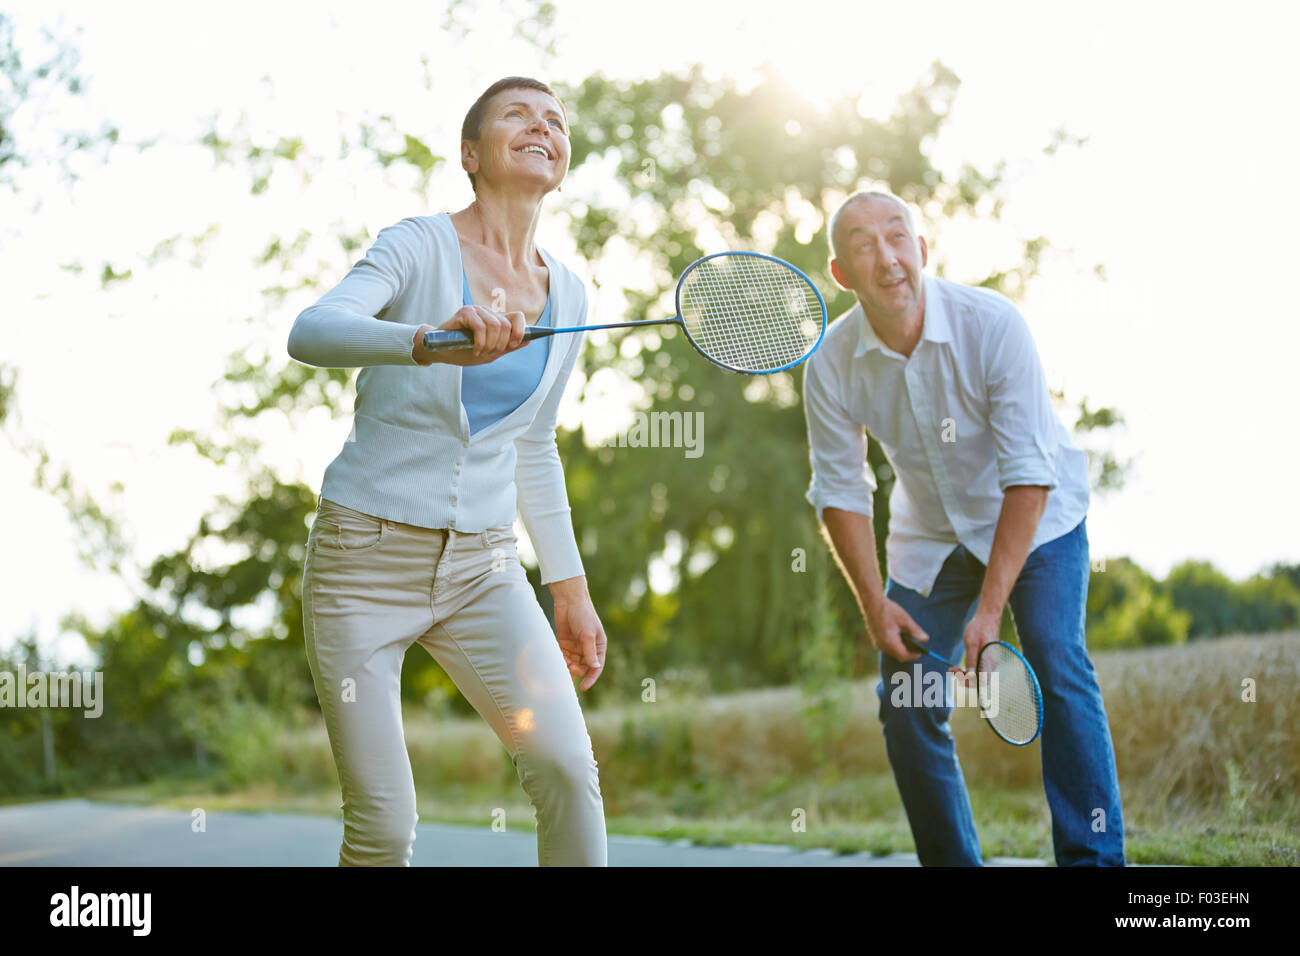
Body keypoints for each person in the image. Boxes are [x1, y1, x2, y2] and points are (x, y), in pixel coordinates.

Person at [286, 76, 607, 867]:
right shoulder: (416, 245)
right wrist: (424, 339)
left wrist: (569, 588)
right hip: (363, 562)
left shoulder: (571, 294)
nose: (542, 124)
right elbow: (312, 330)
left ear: (563, 159)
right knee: (385, 828)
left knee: (567, 771)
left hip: (483, 570)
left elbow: (534, 444)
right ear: (471, 154)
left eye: (554, 120)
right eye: (517, 114)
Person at [802, 190, 1125, 866]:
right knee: (905, 697)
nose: (886, 257)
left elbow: (1028, 473)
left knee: (1054, 657)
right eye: (864, 244)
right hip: (933, 537)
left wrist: (989, 612)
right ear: (842, 273)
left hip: (1038, 520)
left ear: (922, 251)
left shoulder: (991, 324)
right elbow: (840, 489)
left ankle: (1094, 861)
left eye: (898, 237)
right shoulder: (831, 364)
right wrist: (872, 601)